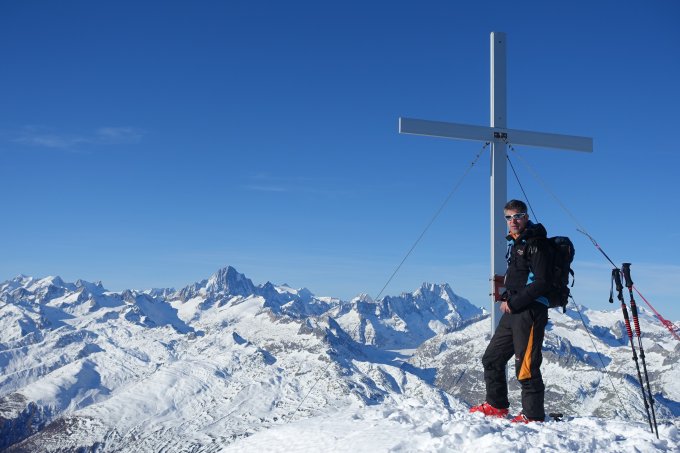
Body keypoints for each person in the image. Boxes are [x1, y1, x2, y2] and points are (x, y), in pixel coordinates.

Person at [470, 199, 552, 423]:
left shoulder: (536, 244)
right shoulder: (517, 244)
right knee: (492, 358)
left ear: (526, 217)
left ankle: (533, 415)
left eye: (517, 216)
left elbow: (542, 282)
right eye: (508, 217)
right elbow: (519, 279)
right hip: (514, 310)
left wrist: (514, 303)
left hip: (531, 311)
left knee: (526, 364)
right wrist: (508, 297)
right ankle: (496, 405)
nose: (513, 221)